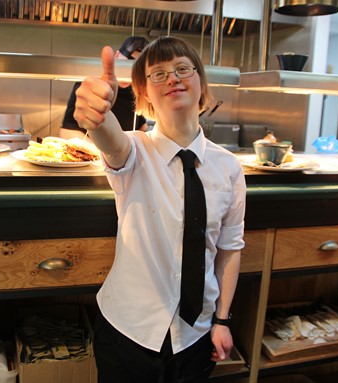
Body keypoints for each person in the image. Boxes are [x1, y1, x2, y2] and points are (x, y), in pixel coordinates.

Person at [73, 35, 246, 383]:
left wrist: (222, 320)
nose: (173, 78)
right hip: (129, 333)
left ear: (201, 84)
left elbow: (229, 249)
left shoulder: (229, 167)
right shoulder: (134, 151)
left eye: (183, 68)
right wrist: (99, 116)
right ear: (143, 96)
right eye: (158, 74)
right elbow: (111, 141)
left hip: (197, 336)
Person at [59, 36, 150, 140]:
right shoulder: (91, 83)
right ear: (116, 56)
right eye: (127, 62)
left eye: (137, 67)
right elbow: (67, 131)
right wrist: (100, 154)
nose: (130, 71)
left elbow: (142, 127)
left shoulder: (136, 91)